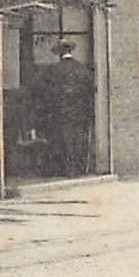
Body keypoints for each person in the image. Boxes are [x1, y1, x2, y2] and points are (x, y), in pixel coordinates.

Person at [36, 40, 94, 176]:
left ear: (59, 53)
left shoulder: (54, 70)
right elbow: (90, 89)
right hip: (80, 111)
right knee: (78, 139)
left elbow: (46, 91)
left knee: (63, 140)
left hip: (60, 112)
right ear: (70, 51)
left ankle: (67, 170)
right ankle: (79, 169)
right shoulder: (81, 68)